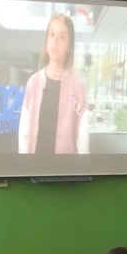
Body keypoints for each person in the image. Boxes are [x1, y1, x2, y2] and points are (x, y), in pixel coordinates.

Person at [17, 12, 90, 155]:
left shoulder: (77, 87)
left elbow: (82, 138)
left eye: (62, 36)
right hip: (34, 164)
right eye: (52, 34)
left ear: (69, 45)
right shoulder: (33, 82)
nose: (55, 41)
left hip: (65, 166)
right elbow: (24, 130)